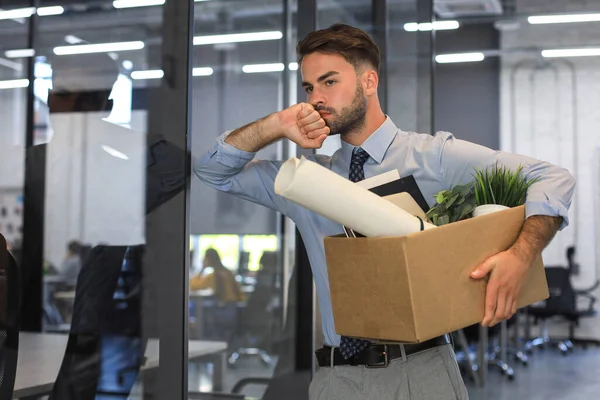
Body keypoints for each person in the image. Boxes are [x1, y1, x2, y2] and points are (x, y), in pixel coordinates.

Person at [194, 23, 575, 399]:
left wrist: (521, 256)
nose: (316, 99)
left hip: (422, 371)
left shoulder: (433, 157)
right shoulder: (305, 181)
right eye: (309, 87)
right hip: (335, 380)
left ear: (369, 82)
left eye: (329, 82)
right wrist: (275, 125)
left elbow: (553, 178)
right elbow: (212, 170)